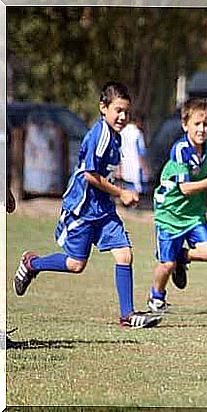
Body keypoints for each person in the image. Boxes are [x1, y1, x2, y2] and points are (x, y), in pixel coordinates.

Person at [13, 81, 162, 329]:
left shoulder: (115, 137)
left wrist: (124, 187)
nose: (123, 116)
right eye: (118, 110)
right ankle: (32, 264)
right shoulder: (100, 134)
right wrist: (121, 193)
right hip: (82, 208)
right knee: (75, 264)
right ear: (103, 108)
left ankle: (127, 315)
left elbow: (106, 172)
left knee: (124, 254)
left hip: (103, 209)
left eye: (126, 111)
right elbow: (89, 175)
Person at [147, 98, 207, 313]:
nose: (202, 129)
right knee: (166, 265)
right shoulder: (179, 150)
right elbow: (184, 188)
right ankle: (156, 297)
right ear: (185, 125)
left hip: (193, 215)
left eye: (205, 124)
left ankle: (181, 256)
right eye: (196, 124)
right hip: (169, 215)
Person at [119, 111, 149, 195]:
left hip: (125, 166)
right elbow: (141, 153)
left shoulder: (122, 132)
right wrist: (145, 168)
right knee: (137, 190)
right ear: (139, 121)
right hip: (136, 167)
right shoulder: (138, 134)